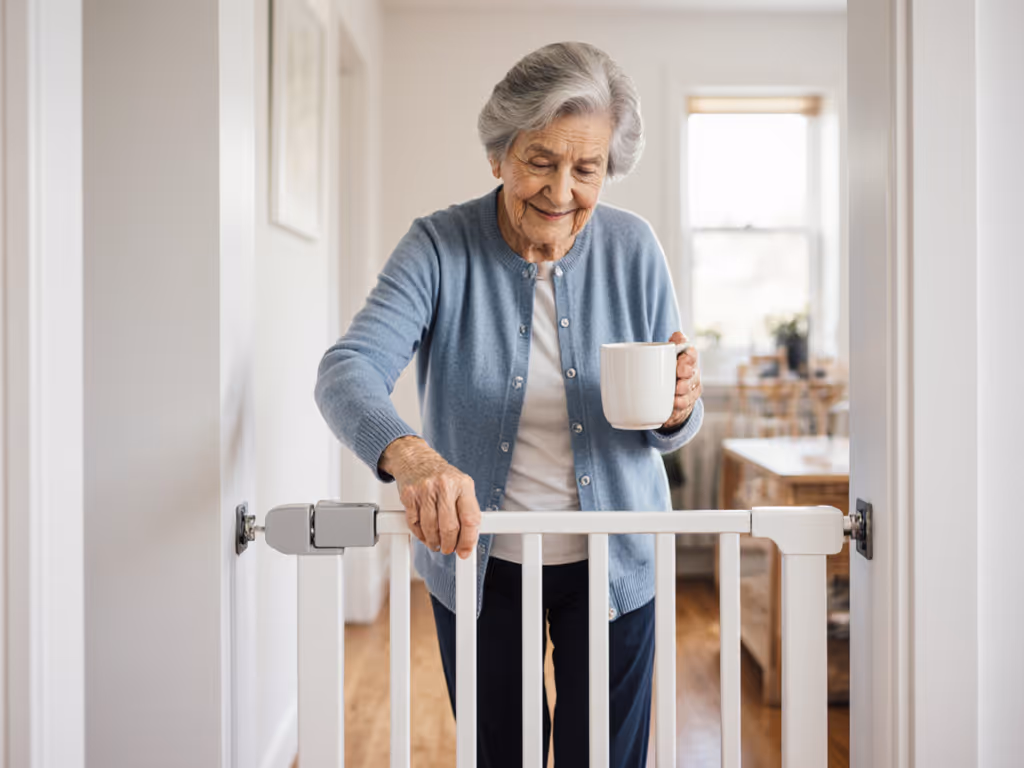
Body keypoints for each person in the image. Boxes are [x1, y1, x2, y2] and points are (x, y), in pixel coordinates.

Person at [315, 41, 703, 767]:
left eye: (586, 169)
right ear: (499, 155)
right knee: (505, 756)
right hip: (483, 563)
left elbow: (672, 427)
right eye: (540, 161)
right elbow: (346, 370)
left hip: (615, 563)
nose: (562, 191)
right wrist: (413, 456)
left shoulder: (635, 248)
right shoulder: (438, 246)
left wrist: (679, 407)